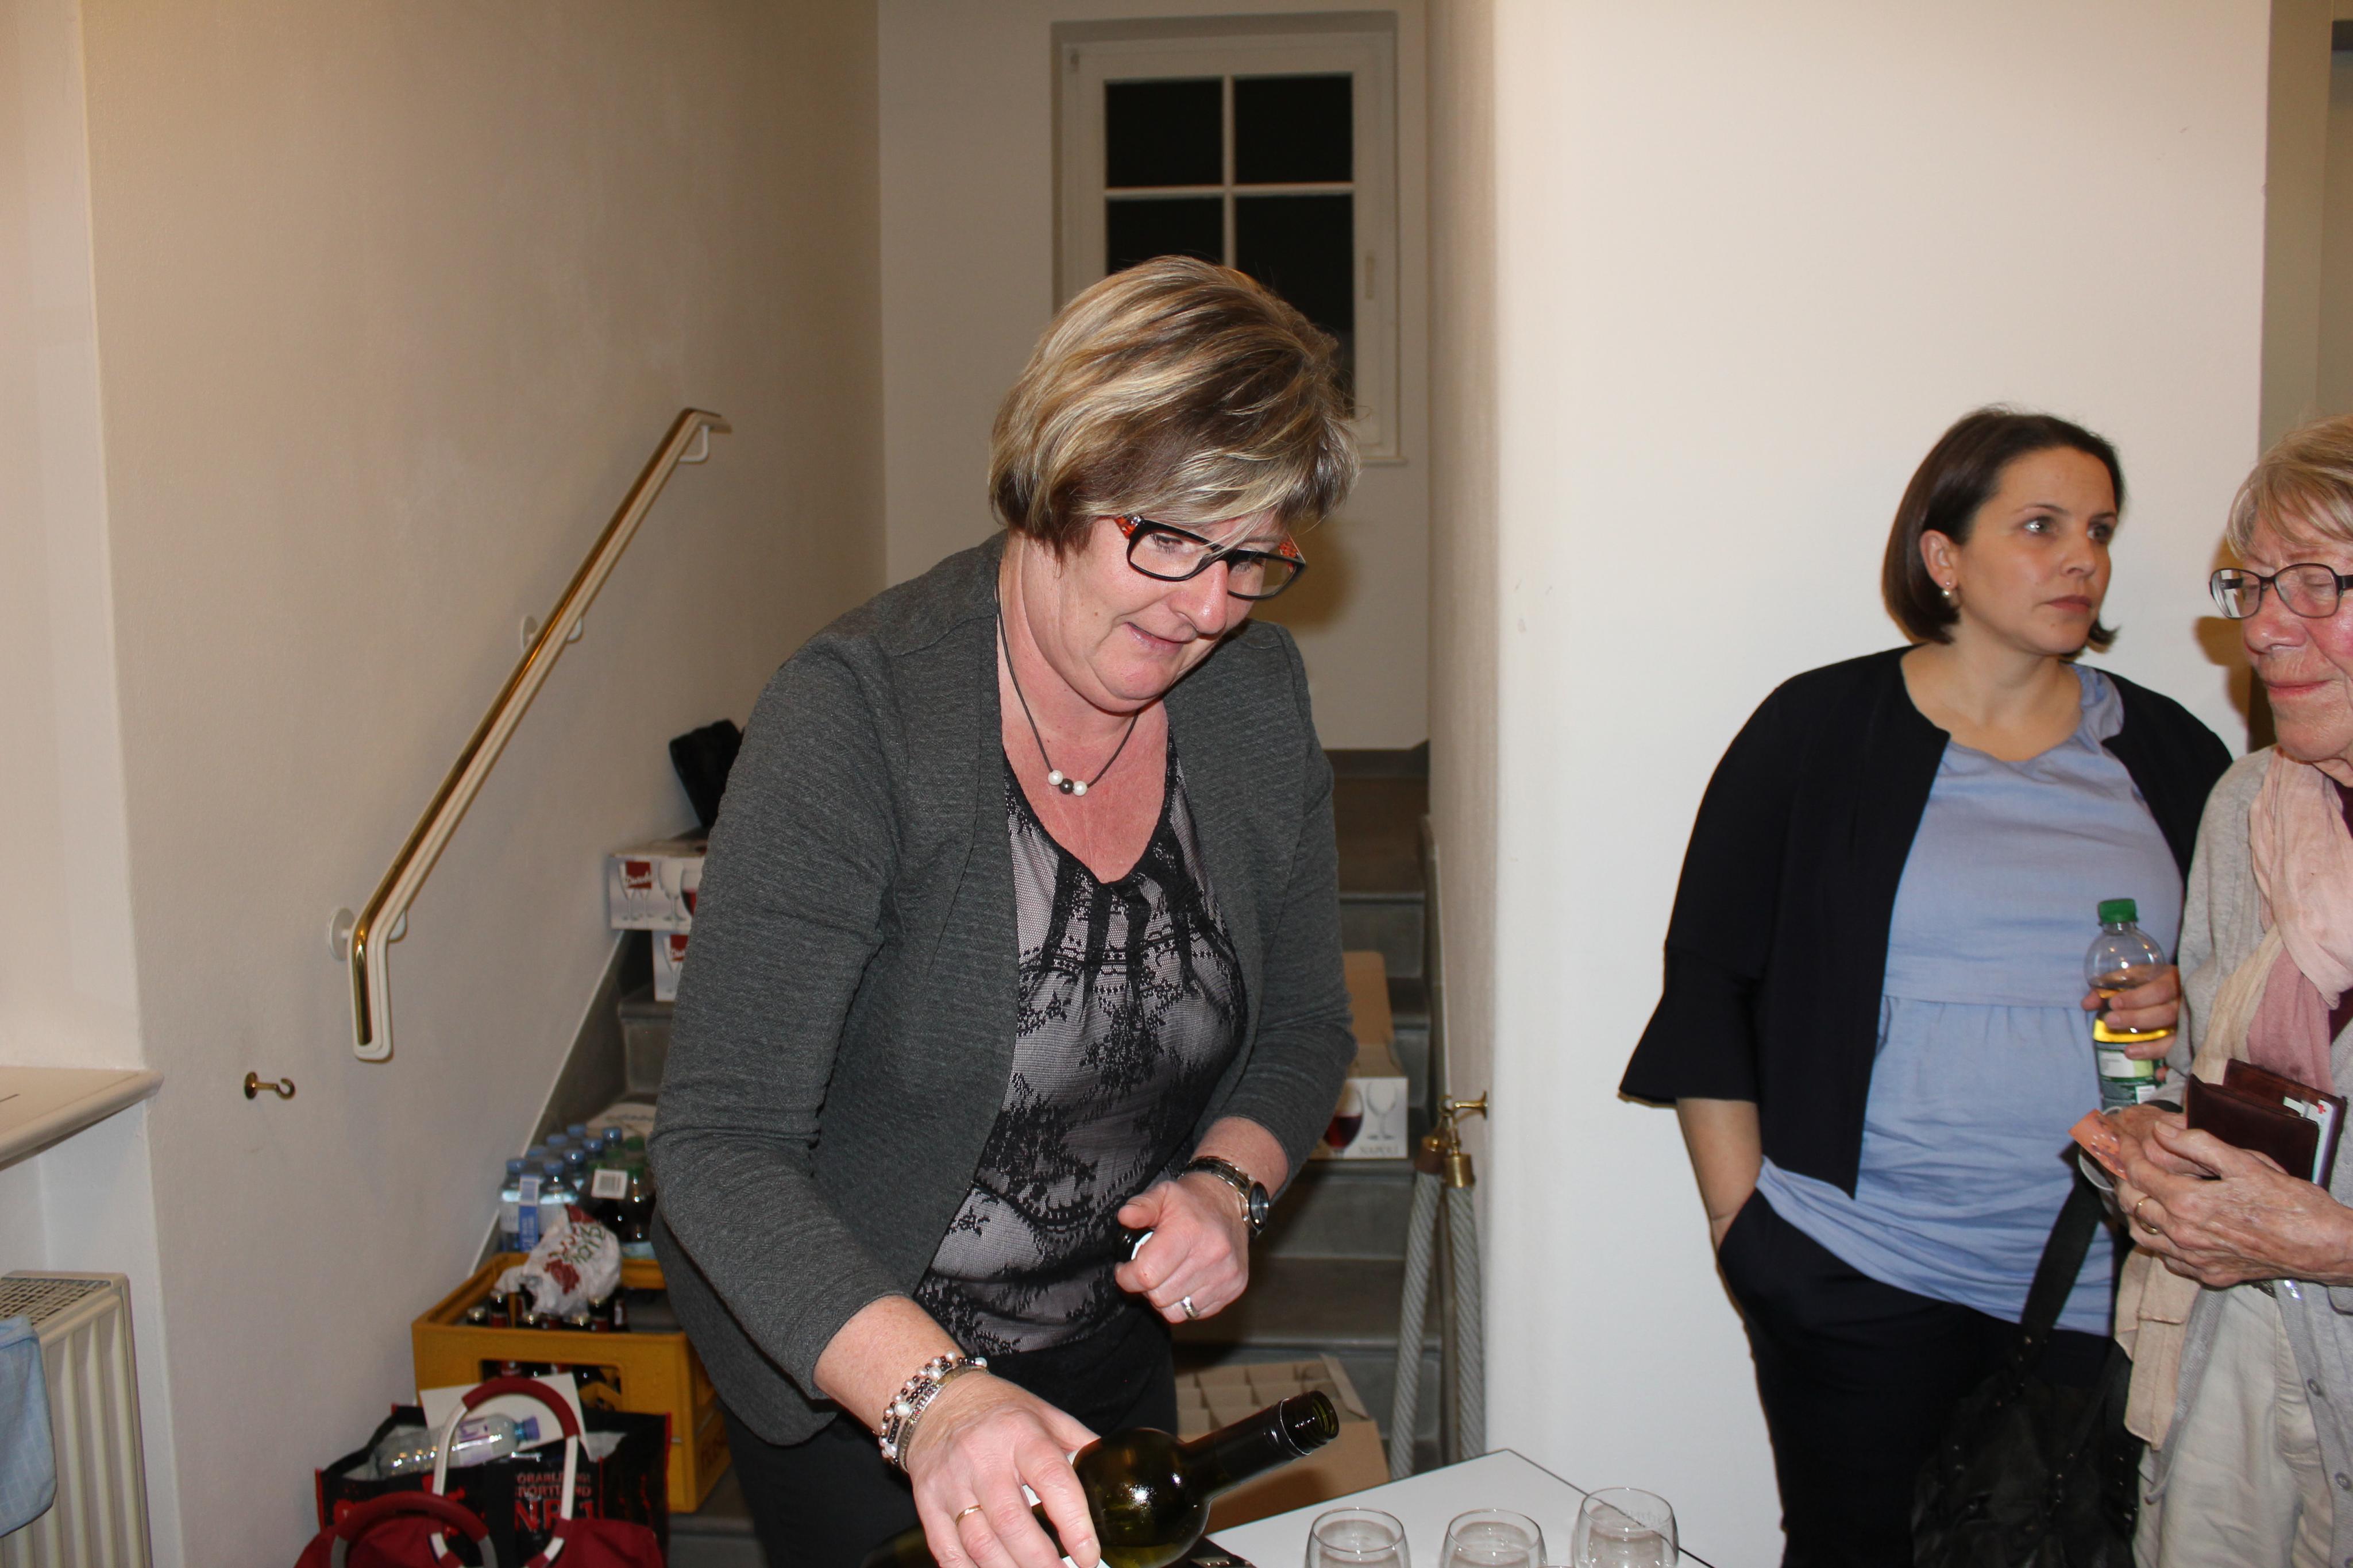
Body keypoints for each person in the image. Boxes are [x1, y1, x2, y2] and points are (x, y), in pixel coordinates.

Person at [648, 257, 1359, 1568]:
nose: (1209, 608)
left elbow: (1310, 1020)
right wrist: (936, 1402)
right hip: (866, 1375)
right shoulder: (858, 716)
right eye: (1170, 540)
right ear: (1058, 479)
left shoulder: (1252, 697)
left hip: (1104, 1340)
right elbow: (718, 1145)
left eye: (1252, 556)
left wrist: (1228, 1184)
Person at [1619, 407, 2230, 1565]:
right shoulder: (1818, 728)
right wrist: (1743, 1226)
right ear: (1942, 554)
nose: (2081, 558)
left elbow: (2254, 996)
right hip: (1861, 1265)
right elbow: (1708, 975)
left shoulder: (2170, 752)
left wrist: (2190, 1007)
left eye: (2098, 530)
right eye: (2040, 525)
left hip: (2099, 1277)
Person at [2106, 416, 2353, 1565]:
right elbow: (2214, 1081)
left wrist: (2335, 1245)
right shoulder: (2249, 805)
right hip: (2233, 1368)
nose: (2261, 626)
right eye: (2251, 585)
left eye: (2316, 584)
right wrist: (2153, 1147)